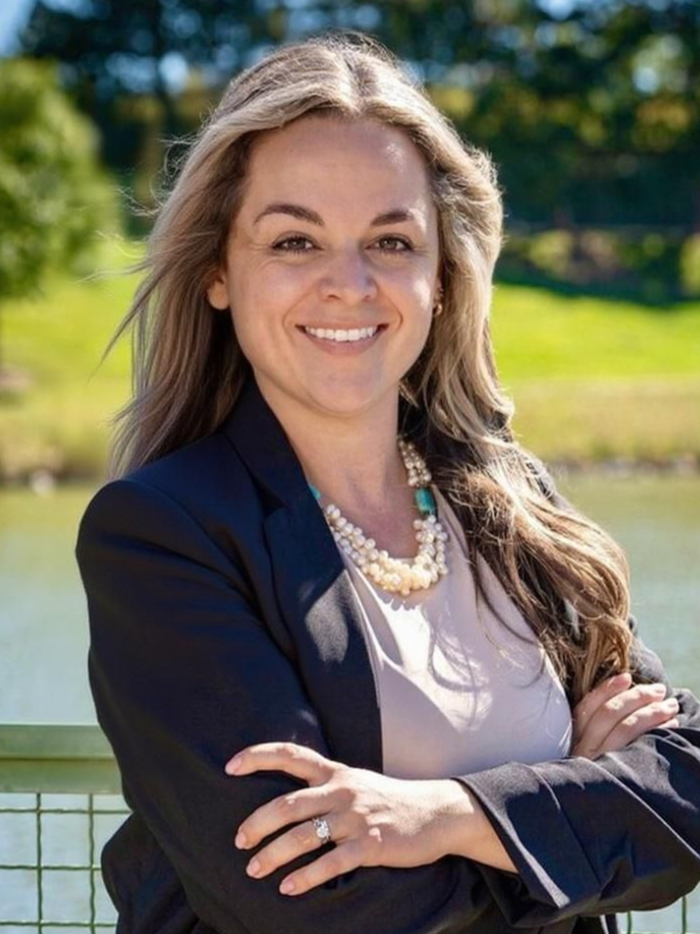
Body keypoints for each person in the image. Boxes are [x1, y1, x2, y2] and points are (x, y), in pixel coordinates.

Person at [75, 30, 700, 934]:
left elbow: (686, 792)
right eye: (295, 240)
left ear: (442, 276)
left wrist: (445, 816)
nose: (350, 283)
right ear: (218, 270)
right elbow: (308, 904)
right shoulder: (161, 533)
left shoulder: (517, 504)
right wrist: (575, 807)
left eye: (391, 240)